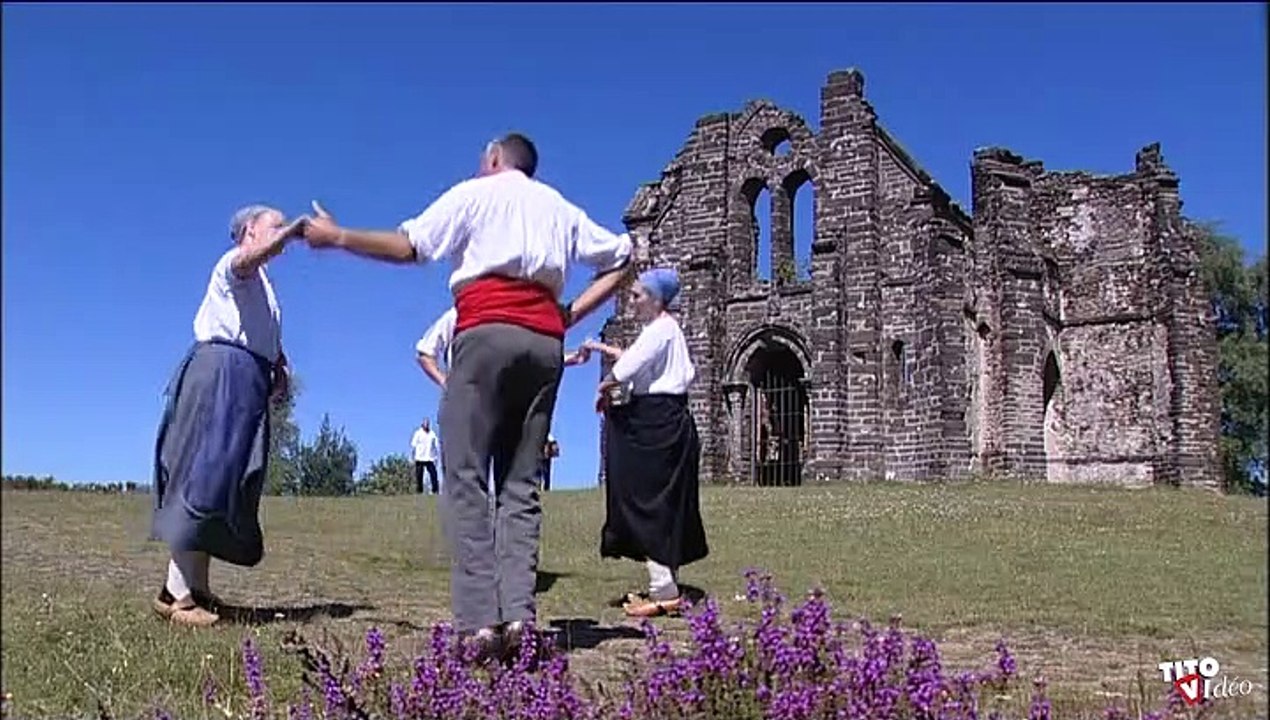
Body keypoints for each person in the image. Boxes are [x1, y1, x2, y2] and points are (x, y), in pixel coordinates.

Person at [300, 133, 633, 658]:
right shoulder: (560, 208)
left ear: (495, 158)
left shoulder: (476, 194)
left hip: (484, 333)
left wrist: (338, 235)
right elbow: (623, 257)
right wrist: (568, 314)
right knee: (522, 482)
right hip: (543, 342)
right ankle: (521, 619)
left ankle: (480, 622)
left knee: (466, 475)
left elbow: (410, 246)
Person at [150, 204, 306, 627]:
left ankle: (193, 590)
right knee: (201, 477)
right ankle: (176, 594)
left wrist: (277, 365)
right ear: (249, 232)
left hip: (243, 379)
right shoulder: (235, 265)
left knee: (222, 483)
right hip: (220, 372)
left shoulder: (263, 285)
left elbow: (261, 330)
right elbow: (249, 262)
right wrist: (293, 232)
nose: (281, 232)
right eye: (274, 224)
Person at [584, 267, 708, 618]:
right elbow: (637, 359)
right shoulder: (664, 330)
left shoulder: (660, 330)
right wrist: (602, 348)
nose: (632, 301)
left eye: (637, 295)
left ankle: (663, 589)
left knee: (645, 499)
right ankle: (666, 581)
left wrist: (603, 390)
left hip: (654, 423)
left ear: (655, 299)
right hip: (667, 418)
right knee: (661, 499)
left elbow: (625, 371)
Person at [411, 418, 441, 494]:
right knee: (419, 475)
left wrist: (436, 456)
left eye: (428, 423)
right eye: (425, 423)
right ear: (422, 424)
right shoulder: (418, 433)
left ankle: (435, 490)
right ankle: (419, 491)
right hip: (420, 457)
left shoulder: (432, 434)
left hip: (429, 457)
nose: (426, 425)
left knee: (433, 474)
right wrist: (413, 456)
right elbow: (413, 445)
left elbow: (436, 445)